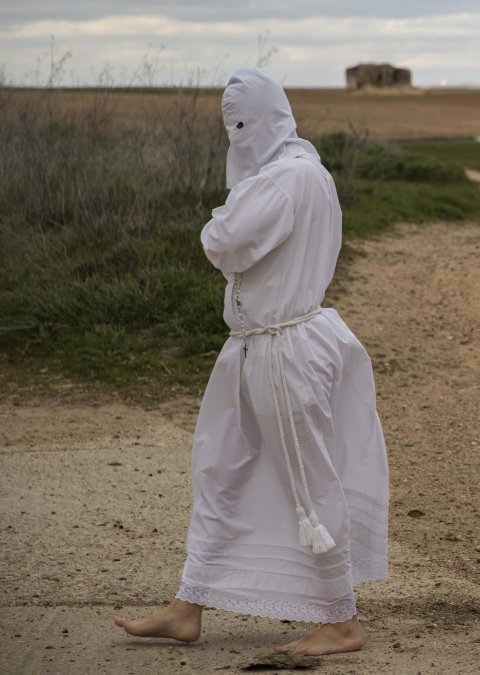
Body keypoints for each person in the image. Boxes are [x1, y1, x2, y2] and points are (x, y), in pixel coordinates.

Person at [115, 68, 390, 656]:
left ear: (270, 118)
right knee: (221, 468)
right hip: (256, 346)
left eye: (244, 124)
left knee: (308, 480)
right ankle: (188, 604)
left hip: (284, 349)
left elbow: (223, 242)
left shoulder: (287, 180)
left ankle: (341, 621)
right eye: (229, 126)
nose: (237, 137)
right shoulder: (296, 175)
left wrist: (223, 215)